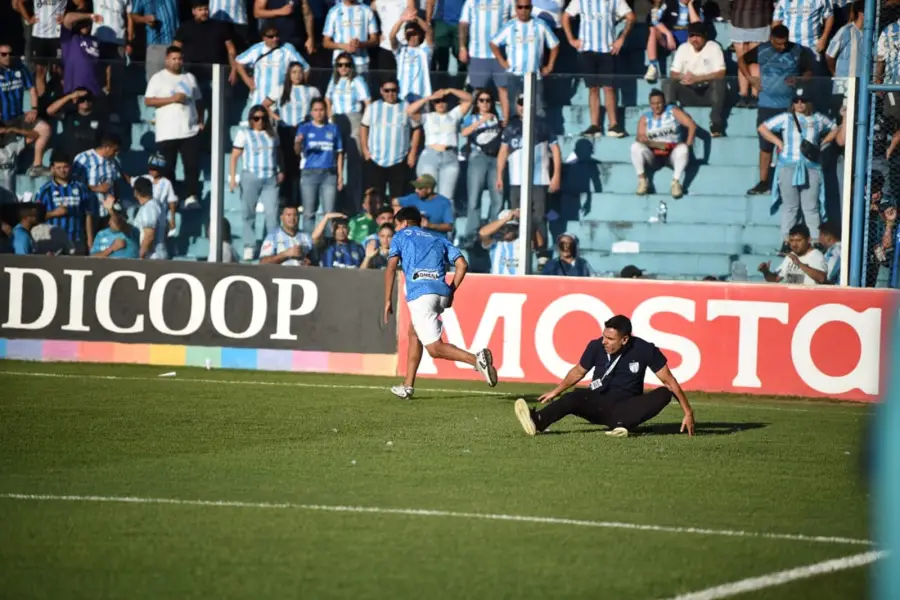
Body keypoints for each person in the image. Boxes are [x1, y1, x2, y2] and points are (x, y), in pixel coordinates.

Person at [513, 314, 695, 437]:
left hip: (628, 407)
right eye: (603, 336)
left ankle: (623, 426)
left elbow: (669, 381)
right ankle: (537, 421)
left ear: (624, 340)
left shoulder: (645, 349)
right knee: (574, 396)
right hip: (599, 405)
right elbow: (578, 372)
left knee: (664, 392)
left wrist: (688, 412)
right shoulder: (595, 346)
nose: (604, 342)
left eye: (610, 339)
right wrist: (556, 391)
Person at [384, 205, 497, 399]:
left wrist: (387, 299)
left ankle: (476, 360)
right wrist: (451, 291)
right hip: (441, 292)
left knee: (435, 348)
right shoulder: (439, 238)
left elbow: (391, 268)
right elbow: (462, 264)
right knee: (414, 333)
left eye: (396, 225)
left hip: (421, 293)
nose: (396, 229)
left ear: (403, 223)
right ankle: (407, 386)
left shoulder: (401, 236)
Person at [738, 24, 814, 195]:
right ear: (771, 39)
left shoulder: (798, 51)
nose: (782, 47)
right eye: (778, 43)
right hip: (767, 105)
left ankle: (789, 181)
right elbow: (742, 60)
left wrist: (800, 79)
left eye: (784, 43)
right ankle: (764, 181)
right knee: (765, 146)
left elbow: (809, 71)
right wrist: (750, 79)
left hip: (790, 106)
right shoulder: (762, 50)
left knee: (790, 144)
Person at [757, 88, 837, 246]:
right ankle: (787, 241)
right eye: (796, 101)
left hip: (811, 166)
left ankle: (815, 241)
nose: (800, 104)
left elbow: (835, 128)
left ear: (808, 102)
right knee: (790, 206)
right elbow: (763, 128)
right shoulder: (786, 118)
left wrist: (822, 143)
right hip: (788, 165)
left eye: (803, 101)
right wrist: (778, 142)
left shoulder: (818, 118)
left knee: (811, 206)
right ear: (792, 104)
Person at [562, 0, 634, 137]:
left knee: (609, 87)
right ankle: (595, 125)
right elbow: (565, 16)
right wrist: (571, 40)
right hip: (587, 50)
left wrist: (621, 38)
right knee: (593, 88)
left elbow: (630, 16)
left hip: (608, 49)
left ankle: (613, 125)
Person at [145, 46, 204, 210]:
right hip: (167, 131)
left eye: (180, 58)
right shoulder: (158, 78)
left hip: (189, 129)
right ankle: (171, 198)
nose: (177, 62)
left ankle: (191, 195)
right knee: (168, 167)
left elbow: (198, 100)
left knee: (191, 165)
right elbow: (149, 101)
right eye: (174, 58)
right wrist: (172, 99)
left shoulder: (189, 77)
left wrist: (201, 120)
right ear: (167, 60)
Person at [496, 94, 560, 243]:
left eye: (526, 103)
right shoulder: (511, 127)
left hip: (539, 179)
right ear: (517, 105)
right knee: (517, 215)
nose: (523, 107)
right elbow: (502, 153)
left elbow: (556, 150)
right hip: (516, 180)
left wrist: (556, 175)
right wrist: (499, 175)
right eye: (520, 103)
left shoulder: (543, 125)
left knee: (539, 216)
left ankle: (541, 250)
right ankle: (520, 246)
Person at [230, 105, 283, 261]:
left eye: (263, 118)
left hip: (270, 177)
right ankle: (249, 245)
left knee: (272, 213)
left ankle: (271, 245)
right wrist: (233, 178)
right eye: (256, 118)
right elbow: (234, 156)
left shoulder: (272, 134)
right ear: (251, 119)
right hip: (251, 175)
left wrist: (282, 170)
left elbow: (279, 153)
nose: (260, 121)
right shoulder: (244, 134)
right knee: (248, 213)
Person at [265, 61, 321, 203]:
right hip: (285, 129)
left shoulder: (312, 91)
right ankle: (287, 198)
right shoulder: (280, 89)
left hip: (304, 129)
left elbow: (319, 107)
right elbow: (264, 105)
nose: (297, 75)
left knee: (302, 163)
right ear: (289, 74)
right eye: (294, 72)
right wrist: (277, 117)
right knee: (286, 163)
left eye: (300, 72)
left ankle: (302, 198)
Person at [360, 78, 423, 201]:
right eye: (387, 90)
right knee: (376, 198)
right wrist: (365, 150)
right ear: (381, 91)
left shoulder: (406, 107)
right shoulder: (373, 107)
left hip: (399, 160)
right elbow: (364, 127)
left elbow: (416, 129)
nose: (390, 93)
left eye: (393, 90)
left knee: (398, 199)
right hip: (376, 159)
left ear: (398, 91)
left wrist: (413, 152)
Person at [662, 23, 727, 138]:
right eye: (692, 36)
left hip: (708, 93)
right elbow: (673, 73)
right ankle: (670, 120)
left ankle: (716, 123)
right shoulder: (683, 48)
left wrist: (698, 78)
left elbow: (721, 73)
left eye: (698, 36)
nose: (695, 39)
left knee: (719, 83)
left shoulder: (713, 47)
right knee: (668, 83)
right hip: (688, 91)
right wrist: (684, 77)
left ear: (705, 36)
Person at [490, 0, 559, 108]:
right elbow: (493, 43)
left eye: (526, 7)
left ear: (531, 8)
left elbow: (554, 44)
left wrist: (550, 66)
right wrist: (502, 61)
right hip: (514, 76)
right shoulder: (510, 26)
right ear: (516, 8)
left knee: (538, 109)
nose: (523, 10)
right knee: (513, 109)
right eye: (520, 7)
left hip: (535, 76)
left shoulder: (540, 25)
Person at [407, 87, 471, 200]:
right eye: (437, 101)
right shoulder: (427, 116)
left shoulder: (454, 114)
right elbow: (409, 111)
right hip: (430, 156)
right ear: (433, 103)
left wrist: (450, 90)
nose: (440, 103)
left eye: (443, 100)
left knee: (447, 198)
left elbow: (469, 99)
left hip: (450, 156)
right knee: (427, 194)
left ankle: (444, 218)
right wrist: (428, 97)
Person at [325, 53, 370, 212]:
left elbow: (367, 101)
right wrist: (330, 117)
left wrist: (364, 122)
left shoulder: (357, 80)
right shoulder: (334, 80)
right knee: (335, 161)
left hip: (354, 119)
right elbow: (327, 99)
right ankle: (336, 204)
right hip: (337, 119)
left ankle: (354, 205)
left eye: (347, 65)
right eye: (340, 65)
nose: (343, 68)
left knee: (354, 164)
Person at [631, 88, 697, 199]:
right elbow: (639, 137)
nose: (656, 106)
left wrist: (688, 145)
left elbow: (692, 125)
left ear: (664, 102)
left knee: (683, 148)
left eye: (659, 103)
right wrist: (641, 139)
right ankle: (642, 180)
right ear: (650, 104)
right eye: (653, 103)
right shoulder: (645, 118)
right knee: (635, 147)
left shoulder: (672, 111)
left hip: (671, 152)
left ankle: (675, 183)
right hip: (654, 154)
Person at [0, 42, 52, 177]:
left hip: (19, 116)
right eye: (3, 54)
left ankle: (37, 165)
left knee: (44, 129)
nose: (8, 57)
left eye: (10, 54)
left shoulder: (20, 68)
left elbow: (32, 89)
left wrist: (34, 109)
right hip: (2, 120)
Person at [458, 0, 513, 124]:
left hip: (501, 55)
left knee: (503, 89)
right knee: (476, 90)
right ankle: (470, 122)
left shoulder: (508, 1)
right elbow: (463, 24)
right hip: (478, 54)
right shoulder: (471, 2)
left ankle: (505, 122)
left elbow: (515, 22)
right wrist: (462, 47)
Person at [461, 88, 504, 245]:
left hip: (495, 158)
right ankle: (471, 234)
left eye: (488, 100)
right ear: (477, 103)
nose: (485, 103)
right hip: (477, 157)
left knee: (497, 197)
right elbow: (464, 133)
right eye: (482, 100)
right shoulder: (471, 118)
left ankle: (495, 231)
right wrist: (481, 120)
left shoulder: (498, 117)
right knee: (474, 198)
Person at [295, 98, 344, 234]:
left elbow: (339, 153)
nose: (319, 113)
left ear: (326, 111)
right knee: (309, 212)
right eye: (315, 110)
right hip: (309, 173)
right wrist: (298, 143)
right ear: (311, 112)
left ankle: (328, 245)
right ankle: (308, 244)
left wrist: (340, 176)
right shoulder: (304, 128)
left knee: (329, 212)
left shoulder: (333, 128)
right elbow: (297, 151)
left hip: (329, 174)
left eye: (321, 109)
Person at [35, 151, 96, 253]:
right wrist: (54, 213)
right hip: (53, 241)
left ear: (71, 167)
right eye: (58, 168)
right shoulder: (45, 191)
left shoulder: (81, 188)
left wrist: (90, 241)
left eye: (65, 167)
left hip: (76, 240)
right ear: (52, 169)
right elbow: (35, 217)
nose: (62, 171)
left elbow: (88, 215)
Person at [235, 25, 310, 107]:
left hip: (280, 101)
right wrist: (248, 81)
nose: (275, 39)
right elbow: (238, 62)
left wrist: (296, 89)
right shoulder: (256, 49)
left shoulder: (287, 49)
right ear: (264, 38)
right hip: (258, 100)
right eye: (271, 36)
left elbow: (306, 68)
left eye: (277, 35)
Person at [173, 0, 238, 78]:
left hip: (216, 74)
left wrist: (234, 70)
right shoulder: (185, 27)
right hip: (189, 73)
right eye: (200, 10)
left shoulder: (221, 27)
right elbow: (175, 49)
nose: (204, 12)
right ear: (193, 11)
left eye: (206, 9)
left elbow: (231, 50)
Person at [74, 133, 129, 221]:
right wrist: (96, 188)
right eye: (115, 150)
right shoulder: (83, 158)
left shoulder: (113, 161)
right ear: (107, 147)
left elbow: (115, 182)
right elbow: (73, 183)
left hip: (108, 211)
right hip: (89, 212)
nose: (117, 153)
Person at [731, 0, 774, 108]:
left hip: (745, 19)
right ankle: (750, 96)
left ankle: (746, 95)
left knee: (745, 59)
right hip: (754, 20)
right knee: (750, 60)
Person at [18, 0, 64, 98]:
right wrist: (28, 19)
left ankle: (58, 102)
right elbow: (19, 2)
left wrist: (66, 16)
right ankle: (42, 104)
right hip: (39, 35)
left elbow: (80, 3)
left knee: (58, 70)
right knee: (40, 71)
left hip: (57, 35)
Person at [46, 89, 108, 158]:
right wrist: (70, 96)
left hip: (91, 160)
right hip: (70, 160)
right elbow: (50, 111)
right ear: (75, 101)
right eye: (82, 99)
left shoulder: (100, 117)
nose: (85, 101)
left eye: (88, 99)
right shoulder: (69, 115)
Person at [758, 223, 827, 285]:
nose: (794, 244)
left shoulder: (816, 255)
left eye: (798, 240)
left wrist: (799, 263)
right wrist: (766, 272)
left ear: (808, 240)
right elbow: (775, 279)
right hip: (790, 296)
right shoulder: (791, 256)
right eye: (791, 240)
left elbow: (822, 279)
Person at [322, 0, 380, 72]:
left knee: (361, 83)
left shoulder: (367, 10)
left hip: (361, 62)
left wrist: (360, 44)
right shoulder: (333, 11)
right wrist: (344, 46)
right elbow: (326, 43)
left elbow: (375, 40)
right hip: (340, 63)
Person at [390, 12, 434, 102]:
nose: (412, 37)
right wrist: (402, 20)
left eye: (414, 34)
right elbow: (392, 36)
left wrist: (415, 18)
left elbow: (429, 32)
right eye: (409, 34)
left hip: (422, 97)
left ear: (420, 35)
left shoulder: (425, 50)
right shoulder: (401, 50)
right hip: (402, 97)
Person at [131, 0, 180, 79]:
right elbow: (133, 15)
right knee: (155, 80)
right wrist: (144, 18)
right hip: (155, 44)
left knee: (175, 81)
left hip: (175, 43)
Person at [134, 153, 180, 236]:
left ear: (160, 170)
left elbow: (171, 201)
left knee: (159, 241)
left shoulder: (166, 183)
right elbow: (131, 181)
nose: (150, 171)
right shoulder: (145, 178)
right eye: (149, 168)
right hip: (145, 213)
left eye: (153, 169)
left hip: (160, 216)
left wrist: (172, 219)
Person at [60, 11, 102, 98]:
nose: (85, 25)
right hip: (74, 92)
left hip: (93, 92)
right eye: (82, 23)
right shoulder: (69, 38)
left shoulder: (96, 40)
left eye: (88, 23)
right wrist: (90, 16)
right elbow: (68, 17)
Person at [479, 208, 526, 274]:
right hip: (497, 282)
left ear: (516, 228)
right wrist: (506, 219)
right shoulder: (494, 244)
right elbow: (483, 233)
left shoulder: (523, 242)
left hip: (518, 282)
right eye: (503, 228)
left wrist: (526, 217)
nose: (506, 230)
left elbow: (539, 242)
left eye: (510, 227)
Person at [0, 124, 38, 203]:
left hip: (9, 174)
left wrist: (13, 129)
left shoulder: (12, 145)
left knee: (9, 201)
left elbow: (35, 135)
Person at [133, 177, 168, 260]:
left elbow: (149, 235)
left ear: (136, 192)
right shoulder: (157, 205)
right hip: (158, 253)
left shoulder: (149, 207)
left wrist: (141, 255)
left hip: (152, 257)